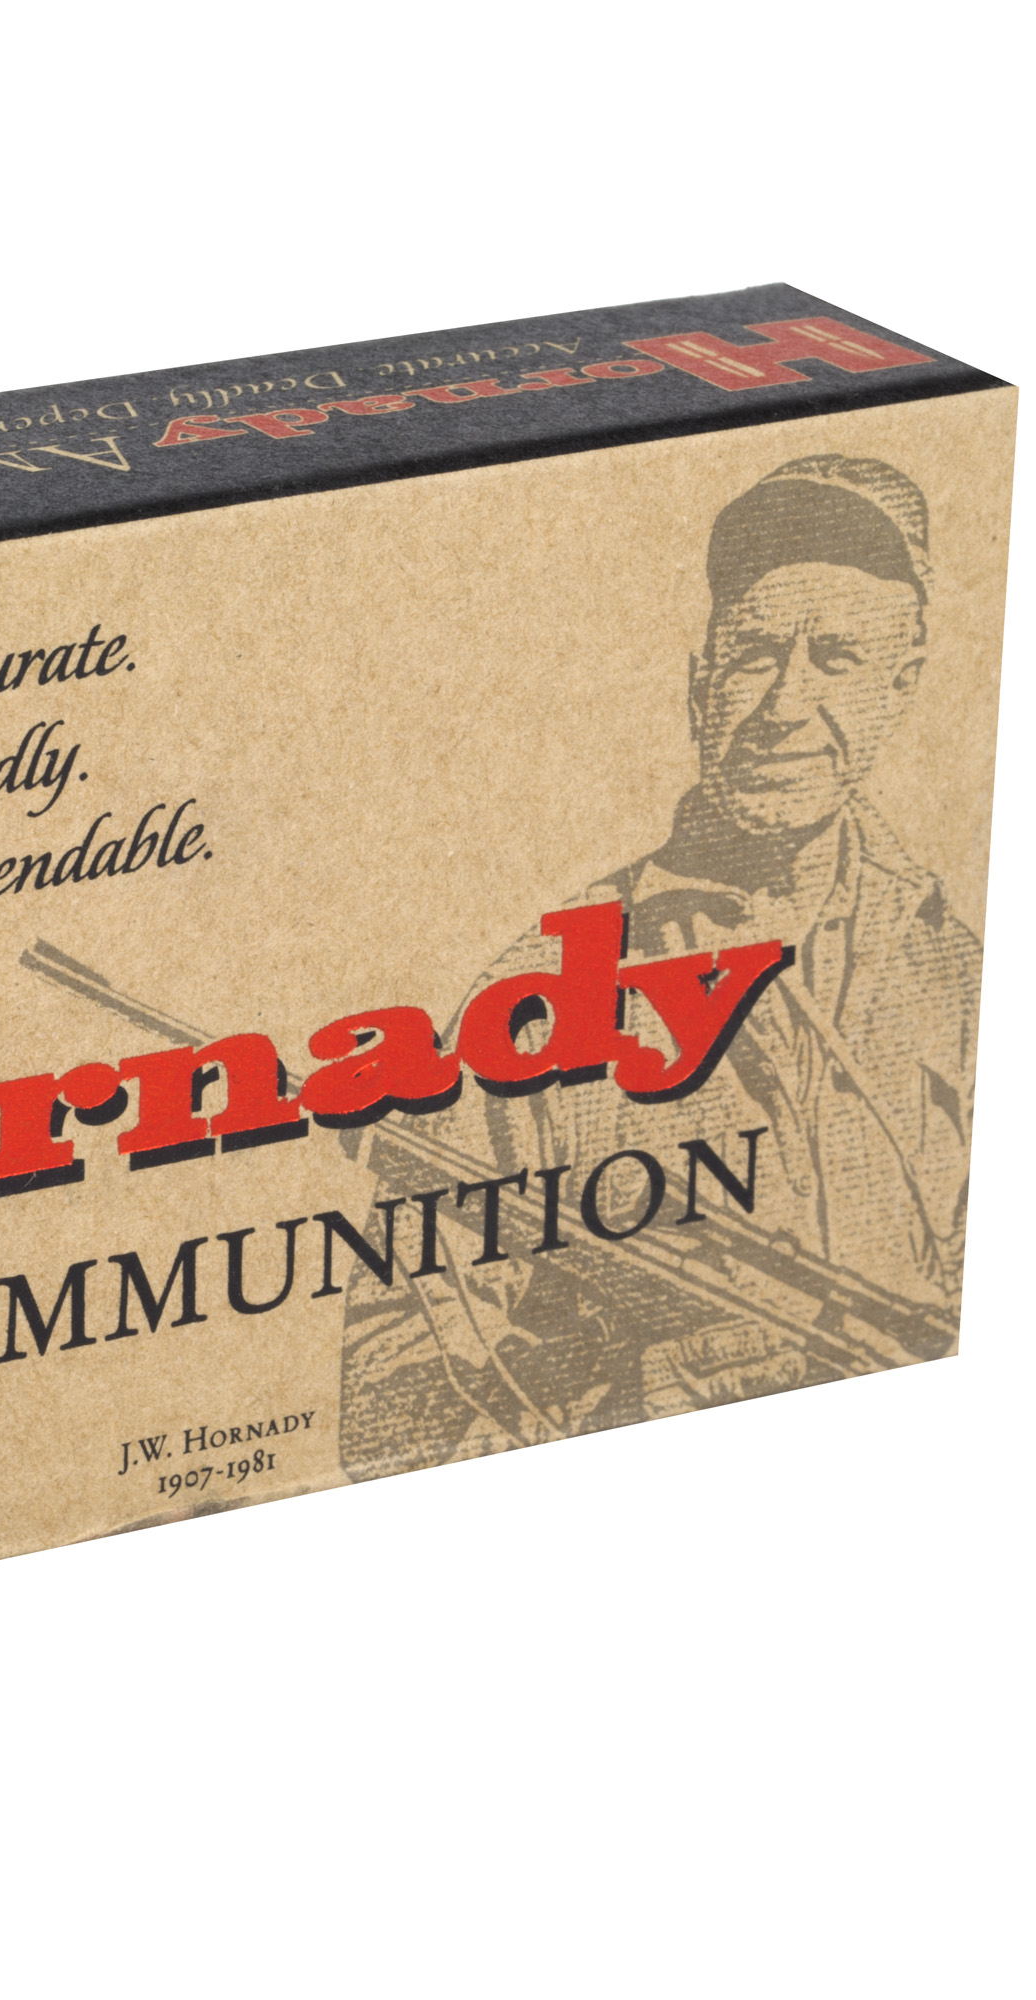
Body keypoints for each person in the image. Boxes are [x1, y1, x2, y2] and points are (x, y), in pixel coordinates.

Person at [339, 455, 980, 1483]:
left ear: (898, 687)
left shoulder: (951, 962)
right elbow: (386, 1409)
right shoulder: (542, 996)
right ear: (697, 686)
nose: (784, 703)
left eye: (835, 658)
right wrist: (636, 1402)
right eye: (754, 655)